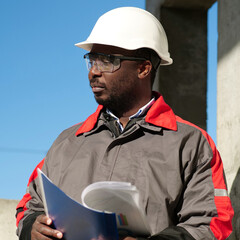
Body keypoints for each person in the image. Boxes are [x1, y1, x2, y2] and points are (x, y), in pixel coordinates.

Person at [16, 7, 234, 240]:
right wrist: (32, 228)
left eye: (108, 61)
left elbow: (212, 224)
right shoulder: (67, 142)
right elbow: (28, 207)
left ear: (143, 68)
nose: (94, 72)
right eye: (92, 61)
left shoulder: (191, 143)